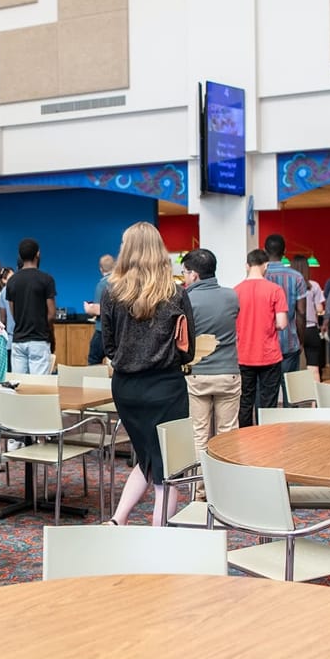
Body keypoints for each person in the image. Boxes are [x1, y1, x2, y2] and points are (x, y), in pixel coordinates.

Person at [103, 222, 195, 527]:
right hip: (166, 387)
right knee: (168, 469)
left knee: (147, 457)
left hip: (126, 389)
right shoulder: (175, 292)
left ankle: (118, 519)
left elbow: (109, 346)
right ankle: (158, 538)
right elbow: (188, 349)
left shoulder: (111, 292)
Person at [180, 248, 240, 487]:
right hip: (229, 373)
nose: (183, 277)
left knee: (199, 435)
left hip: (197, 375)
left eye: (184, 272)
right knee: (228, 434)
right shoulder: (231, 296)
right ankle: (227, 487)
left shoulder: (186, 300)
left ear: (194, 275)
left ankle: (201, 489)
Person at [235, 249, 288, 427]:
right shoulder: (275, 290)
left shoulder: (236, 291)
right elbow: (282, 323)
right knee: (268, 403)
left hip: (243, 355)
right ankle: (267, 441)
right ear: (266, 265)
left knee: (244, 401)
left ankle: (243, 439)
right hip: (269, 354)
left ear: (247, 266)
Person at [263, 234, 306, 398]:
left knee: (266, 393)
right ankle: (290, 423)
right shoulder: (297, 277)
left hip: (265, 343)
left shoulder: (260, 277)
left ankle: (265, 423)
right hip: (289, 341)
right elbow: (301, 313)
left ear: (265, 251)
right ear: (285, 251)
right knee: (290, 393)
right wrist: (301, 340)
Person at [4, 239, 56, 374]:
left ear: (20, 256)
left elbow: (13, 312)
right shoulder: (46, 279)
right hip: (39, 339)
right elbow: (51, 314)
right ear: (37, 254)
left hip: (18, 340)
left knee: (19, 387)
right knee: (39, 387)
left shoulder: (12, 281)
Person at [291, 254, 326, 378]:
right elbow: (320, 308)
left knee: (292, 367)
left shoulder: (289, 286)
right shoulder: (314, 286)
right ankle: (316, 395)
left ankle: (294, 395)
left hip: (293, 329)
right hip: (311, 328)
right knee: (313, 367)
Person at [82, 254, 115, 365]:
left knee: (93, 359)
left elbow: (98, 310)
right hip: (118, 331)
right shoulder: (120, 282)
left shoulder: (102, 284)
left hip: (103, 331)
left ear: (101, 269)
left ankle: (94, 382)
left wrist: (88, 308)